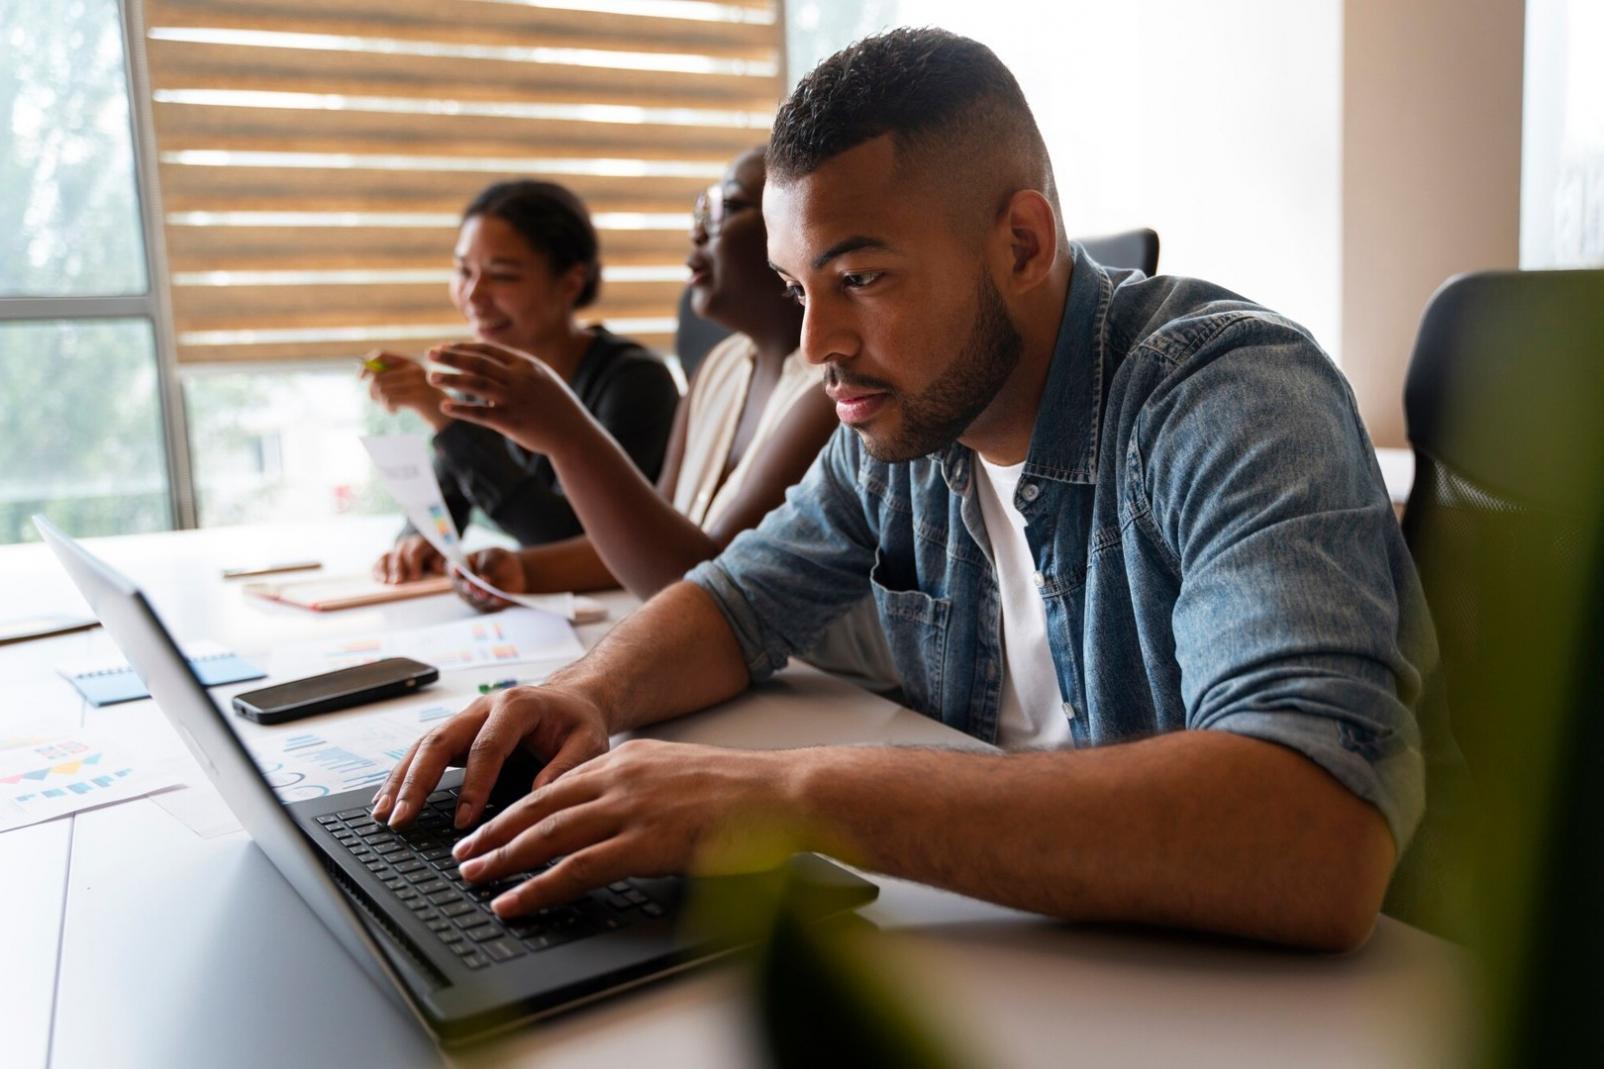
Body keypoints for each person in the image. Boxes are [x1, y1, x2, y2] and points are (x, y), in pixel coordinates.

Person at [372, 28, 1452, 952]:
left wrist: (790, 796)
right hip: (1037, 954)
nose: (817, 343)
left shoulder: (1226, 395)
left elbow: (1314, 835)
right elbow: (736, 599)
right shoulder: (909, 424)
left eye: (860, 278)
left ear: (1022, 242)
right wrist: (589, 696)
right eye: (799, 289)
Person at [425, 147, 840, 605]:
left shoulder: (829, 393)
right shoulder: (716, 368)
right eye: (701, 208)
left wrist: (567, 433)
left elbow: (714, 588)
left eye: (730, 208)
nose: (697, 230)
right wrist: (519, 570)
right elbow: (652, 534)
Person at [365, 180, 679, 584]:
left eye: (502, 276)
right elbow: (444, 510)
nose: (473, 295)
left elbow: (570, 539)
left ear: (570, 282)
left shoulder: (635, 383)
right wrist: (419, 544)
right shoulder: (484, 381)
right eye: (463, 271)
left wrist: (446, 420)